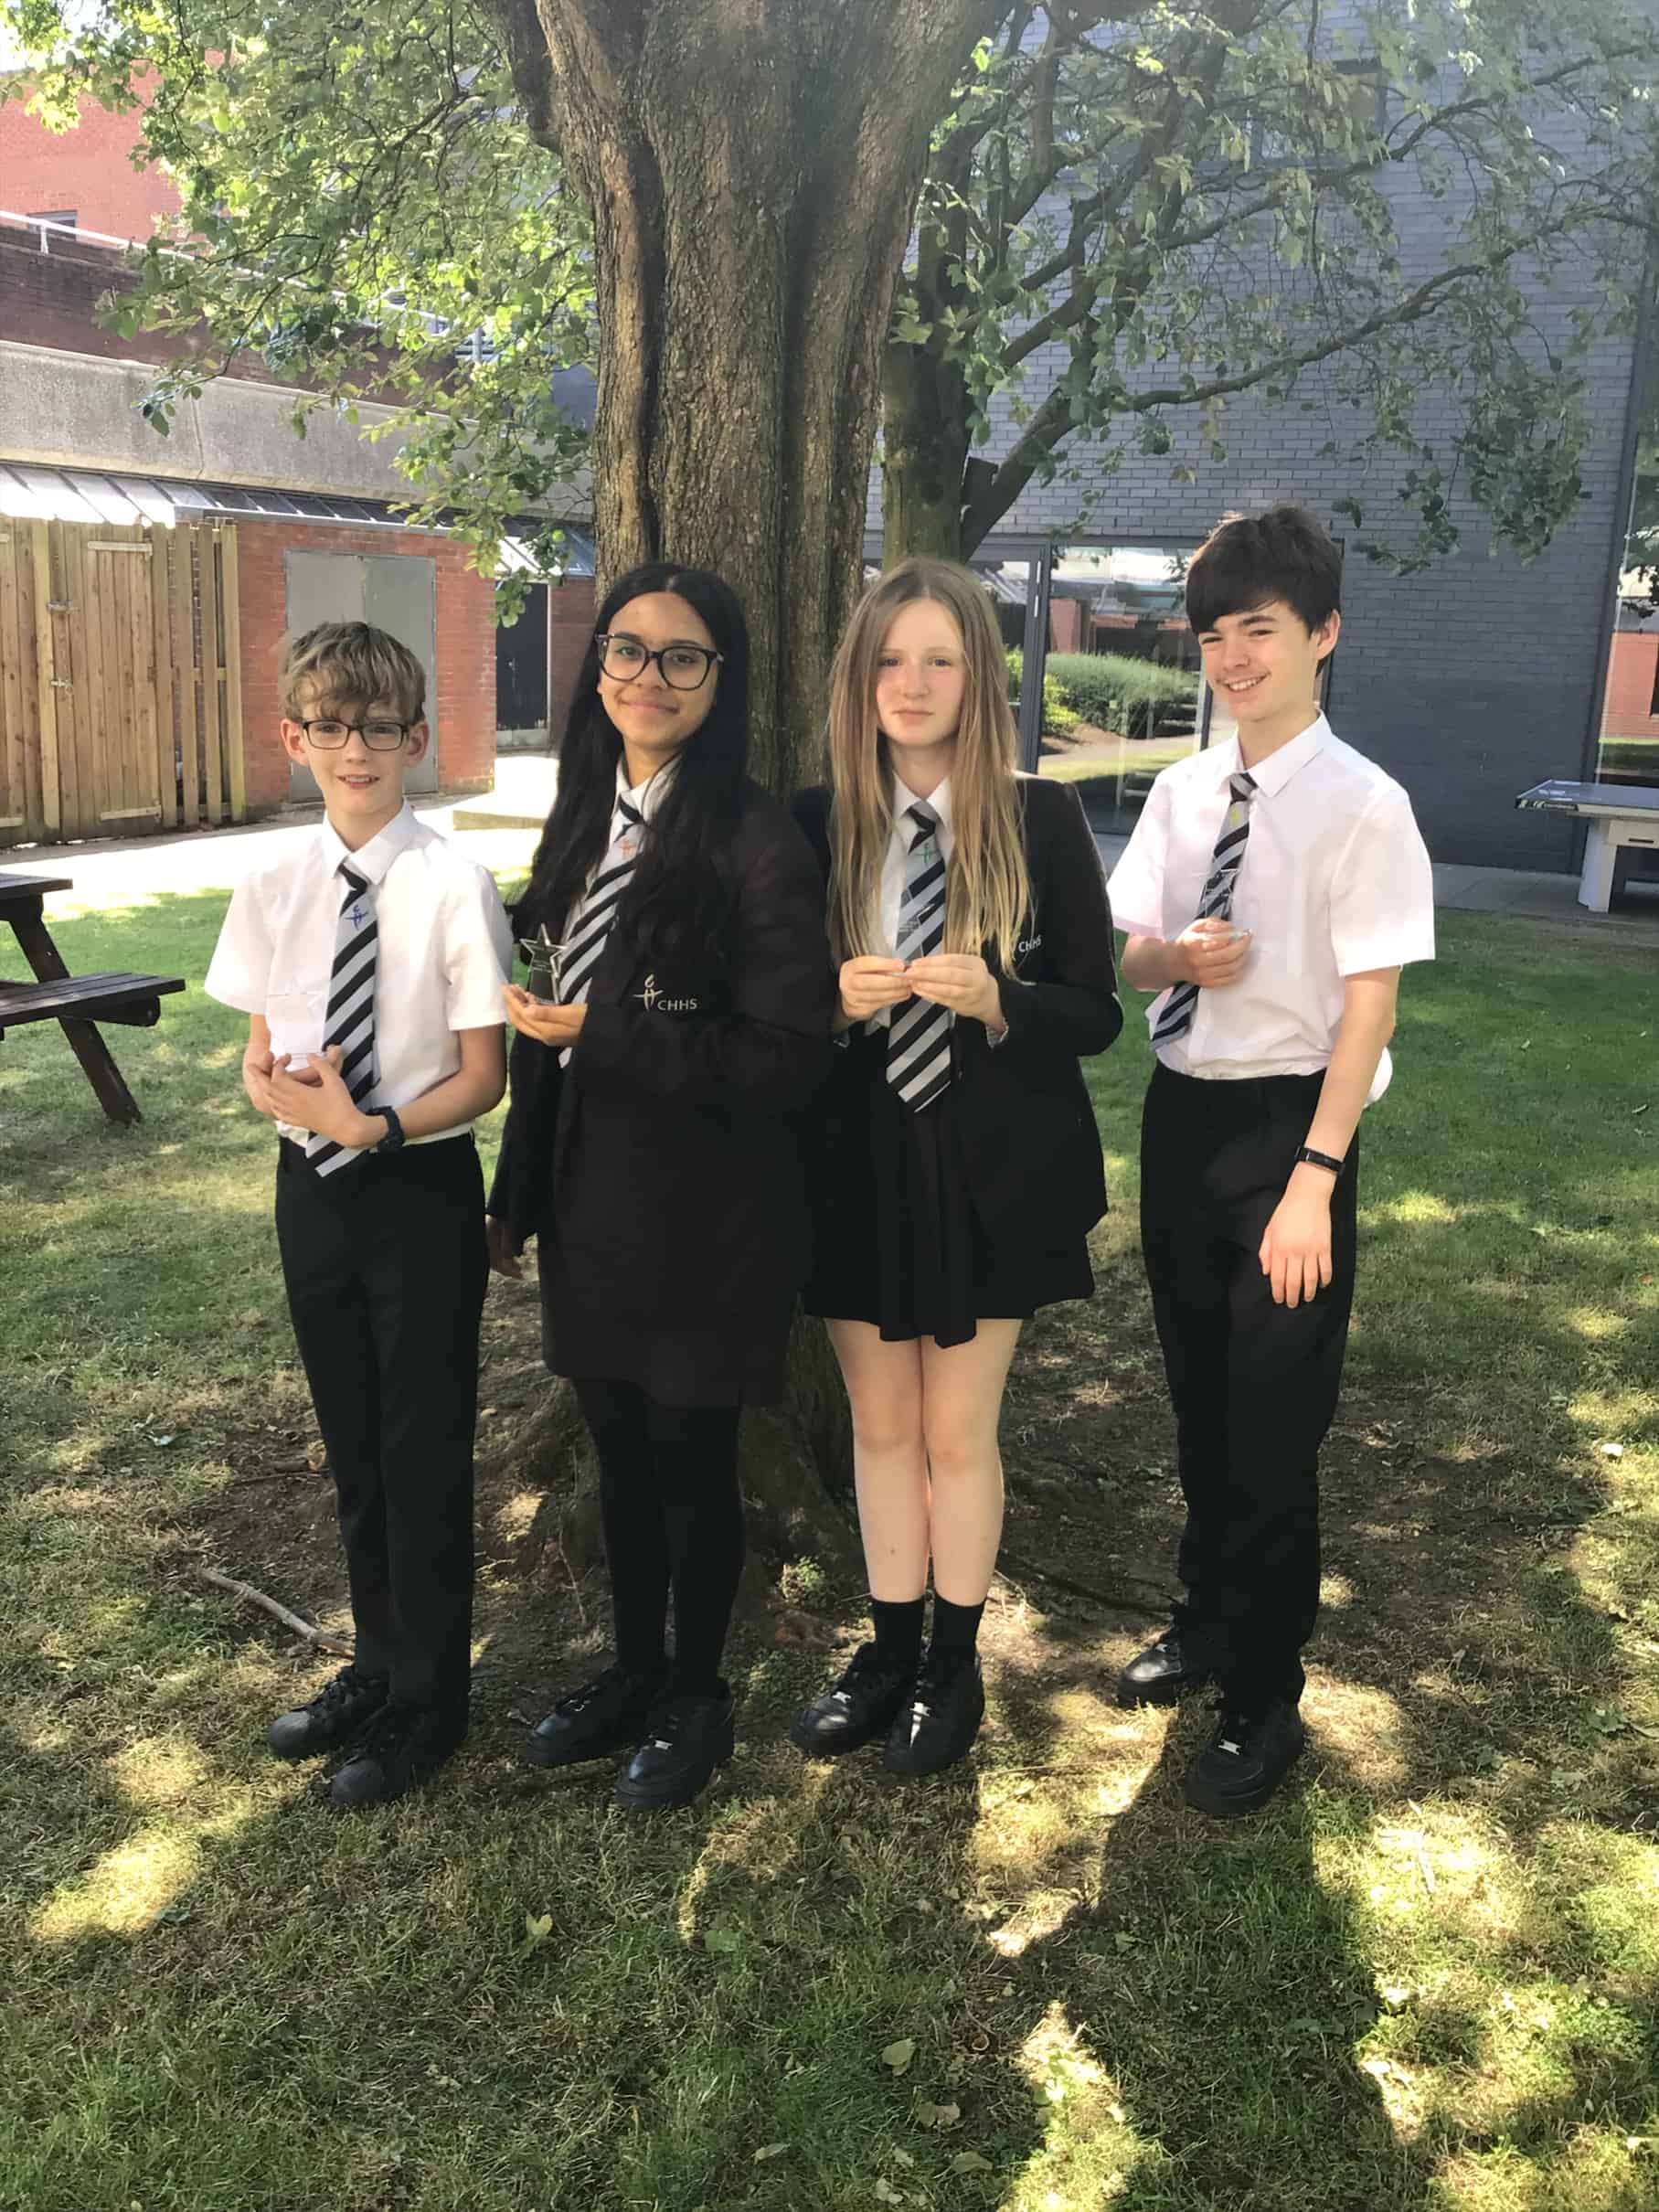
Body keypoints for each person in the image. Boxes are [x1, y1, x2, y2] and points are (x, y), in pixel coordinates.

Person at [487, 562, 834, 1813]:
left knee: (693, 1468)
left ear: (719, 681)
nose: (648, 676)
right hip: (590, 1203)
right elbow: (544, 1023)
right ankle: (631, 1673)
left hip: (707, 1217)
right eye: (627, 650)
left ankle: (698, 1699)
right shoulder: (583, 816)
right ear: (599, 666)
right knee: (618, 1454)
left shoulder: (757, 843)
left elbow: (788, 1059)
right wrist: (515, 1195)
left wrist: (607, 1034)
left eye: (682, 657)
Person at [1107, 505, 1435, 1818]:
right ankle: (1202, 1620)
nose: (1234, 657)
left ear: (1323, 637)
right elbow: (1126, 951)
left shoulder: (1367, 805)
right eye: (1215, 634)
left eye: (1262, 630)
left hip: (1293, 1133)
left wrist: (1313, 1178)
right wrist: (1177, 956)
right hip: (1184, 1113)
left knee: (1273, 1424)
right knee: (1199, 1401)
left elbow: (1371, 1010)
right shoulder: (1185, 792)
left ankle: (1264, 1689)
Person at [790, 558, 1122, 1778]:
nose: (913, 684)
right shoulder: (814, 823)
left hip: (991, 1173)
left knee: (959, 1432)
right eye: (890, 660)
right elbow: (767, 1010)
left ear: (979, 676)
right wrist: (829, 1000)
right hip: (855, 1165)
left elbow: (1096, 1013)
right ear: (860, 680)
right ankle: (885, 1649)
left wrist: (1002, 1002)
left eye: (939, 660)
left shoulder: (1040, 818)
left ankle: (954, 1660)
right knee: (881, 1427)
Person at [205, 622, 512, 1809]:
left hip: (416, 1184)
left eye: (378, 727)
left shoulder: (450, 884)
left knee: (422, 1447)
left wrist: (374, 1129)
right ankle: (376, 1667)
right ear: (294, 737)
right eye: (329, 726)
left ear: (415, 739)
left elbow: (483, 1077)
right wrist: (270, 1091)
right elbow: (257, 1049)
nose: (354, 748)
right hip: (312, 1192)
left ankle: (433, 1702)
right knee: (353, 1447)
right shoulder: (273, 884)